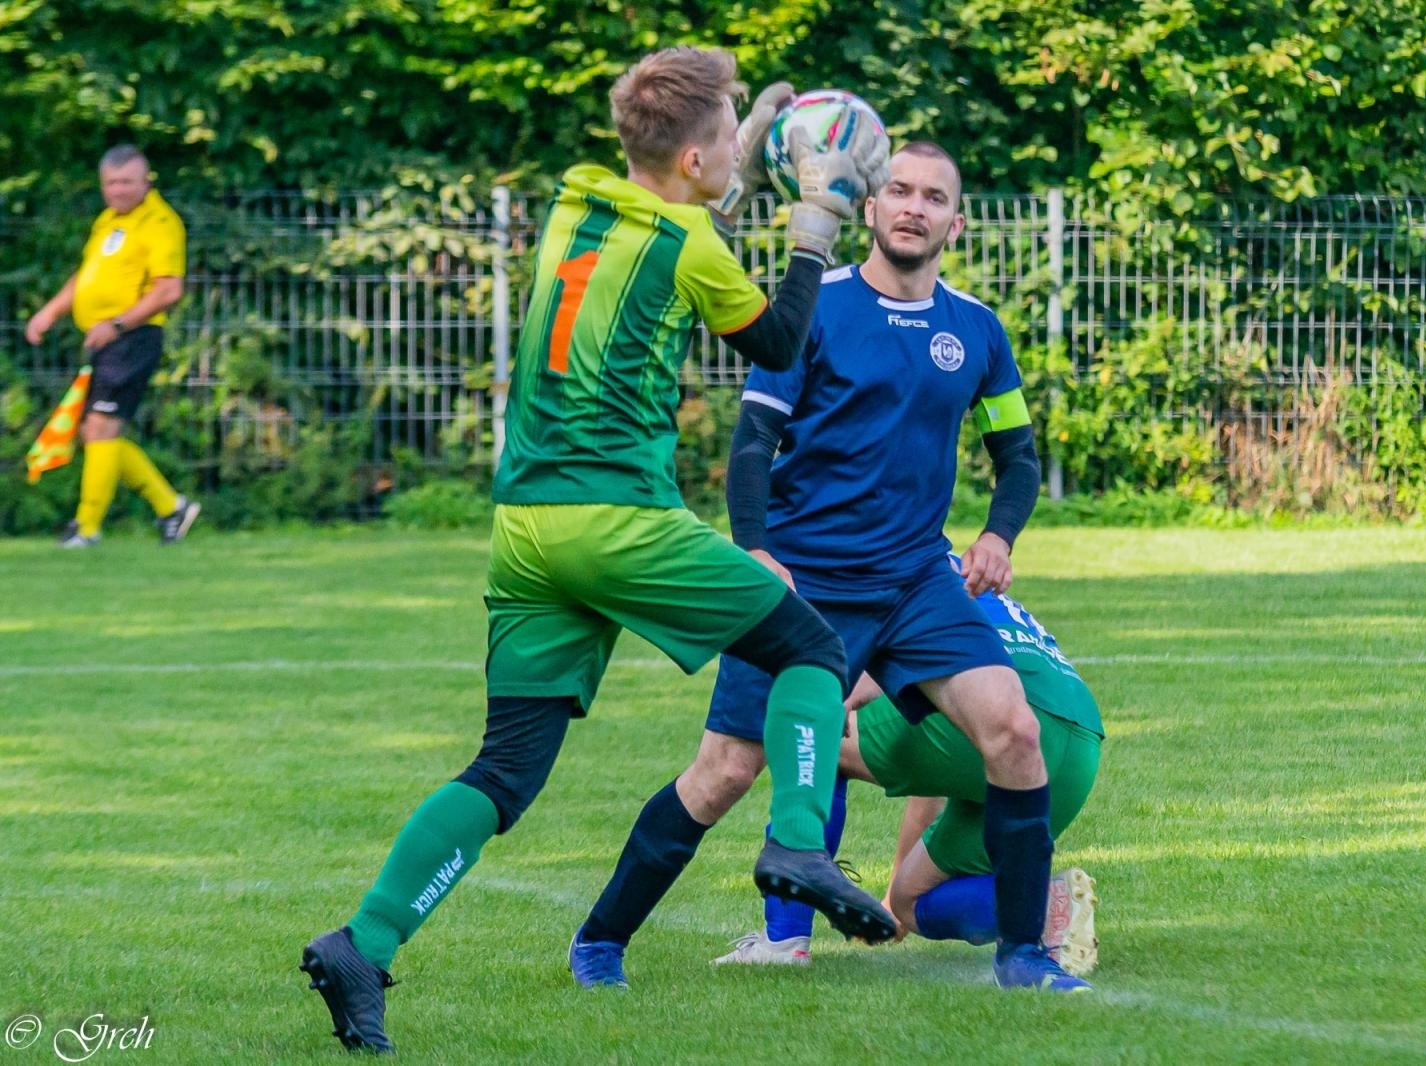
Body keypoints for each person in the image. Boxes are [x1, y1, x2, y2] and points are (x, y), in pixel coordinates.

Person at [297, 47, 892, 1053]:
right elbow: (783, 338)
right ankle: (797, 841)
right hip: (616, 522)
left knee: (506, 771)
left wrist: (737, 141)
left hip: (525, 533)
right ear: (697, 157)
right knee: (810, 651)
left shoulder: (577, 208)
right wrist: (817, 221)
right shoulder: (692, 246)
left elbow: (683, 213)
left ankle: (364, 943)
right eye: (727, 134)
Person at [572, 142, 1082, 992]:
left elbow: (1018, 456)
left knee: (1015, 730)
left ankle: (1025, 957)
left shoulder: (976, 330)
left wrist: (998, 535)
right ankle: (600, 940)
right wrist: (757, 550)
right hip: (807, 581)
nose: (914, 207)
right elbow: (753, 445)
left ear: (956, 223)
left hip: (920, 581)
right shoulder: (813, 309)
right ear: (871, 210)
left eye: (934, 197)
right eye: (899, 192)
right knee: (726, 771)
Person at [716, 564, 1103, 985]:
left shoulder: (880, 558)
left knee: (816, 736)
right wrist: (893, 889)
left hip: (1007, 717)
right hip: (1078, 743)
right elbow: (934, 765)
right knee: (910, 902)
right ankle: (1045, 905)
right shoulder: (946, 562)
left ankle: (783, 940)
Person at [25, 145, 199, 547]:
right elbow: (86, 276)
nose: (119, 190)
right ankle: (170, 506)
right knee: (95, 431)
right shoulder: (108, 221)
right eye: (111, 183)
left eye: (127, 181)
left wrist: (118, 325)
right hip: (107, 339)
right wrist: (49, 312)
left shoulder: (159, 222)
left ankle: (86, 528)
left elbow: (169, 289)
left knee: (102, 427)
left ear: (146, 181)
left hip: (132, 338)